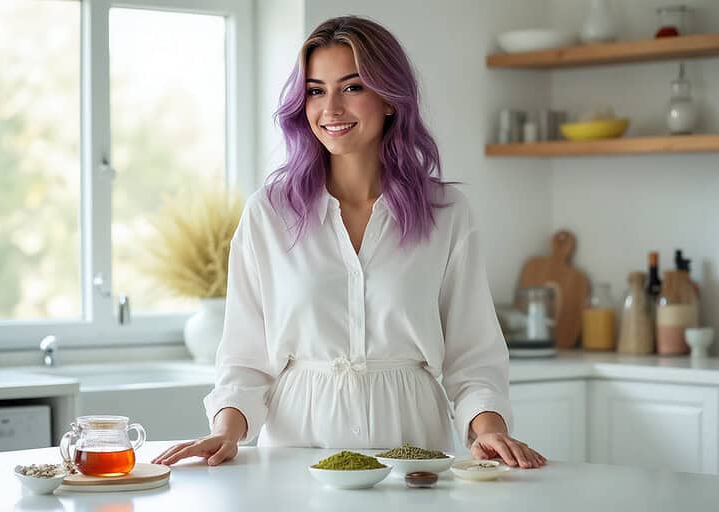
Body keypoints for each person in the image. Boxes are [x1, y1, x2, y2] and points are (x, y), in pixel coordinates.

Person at [153, 15, 545, 469]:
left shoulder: (446, 212)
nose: (331, 108)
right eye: (316, 91)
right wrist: (225, 432)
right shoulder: (269, 213)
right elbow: (245, 358)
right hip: (297, 449)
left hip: (412, 446)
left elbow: (472, 354)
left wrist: (489, 430)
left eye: (352, 87)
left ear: (390, 99)